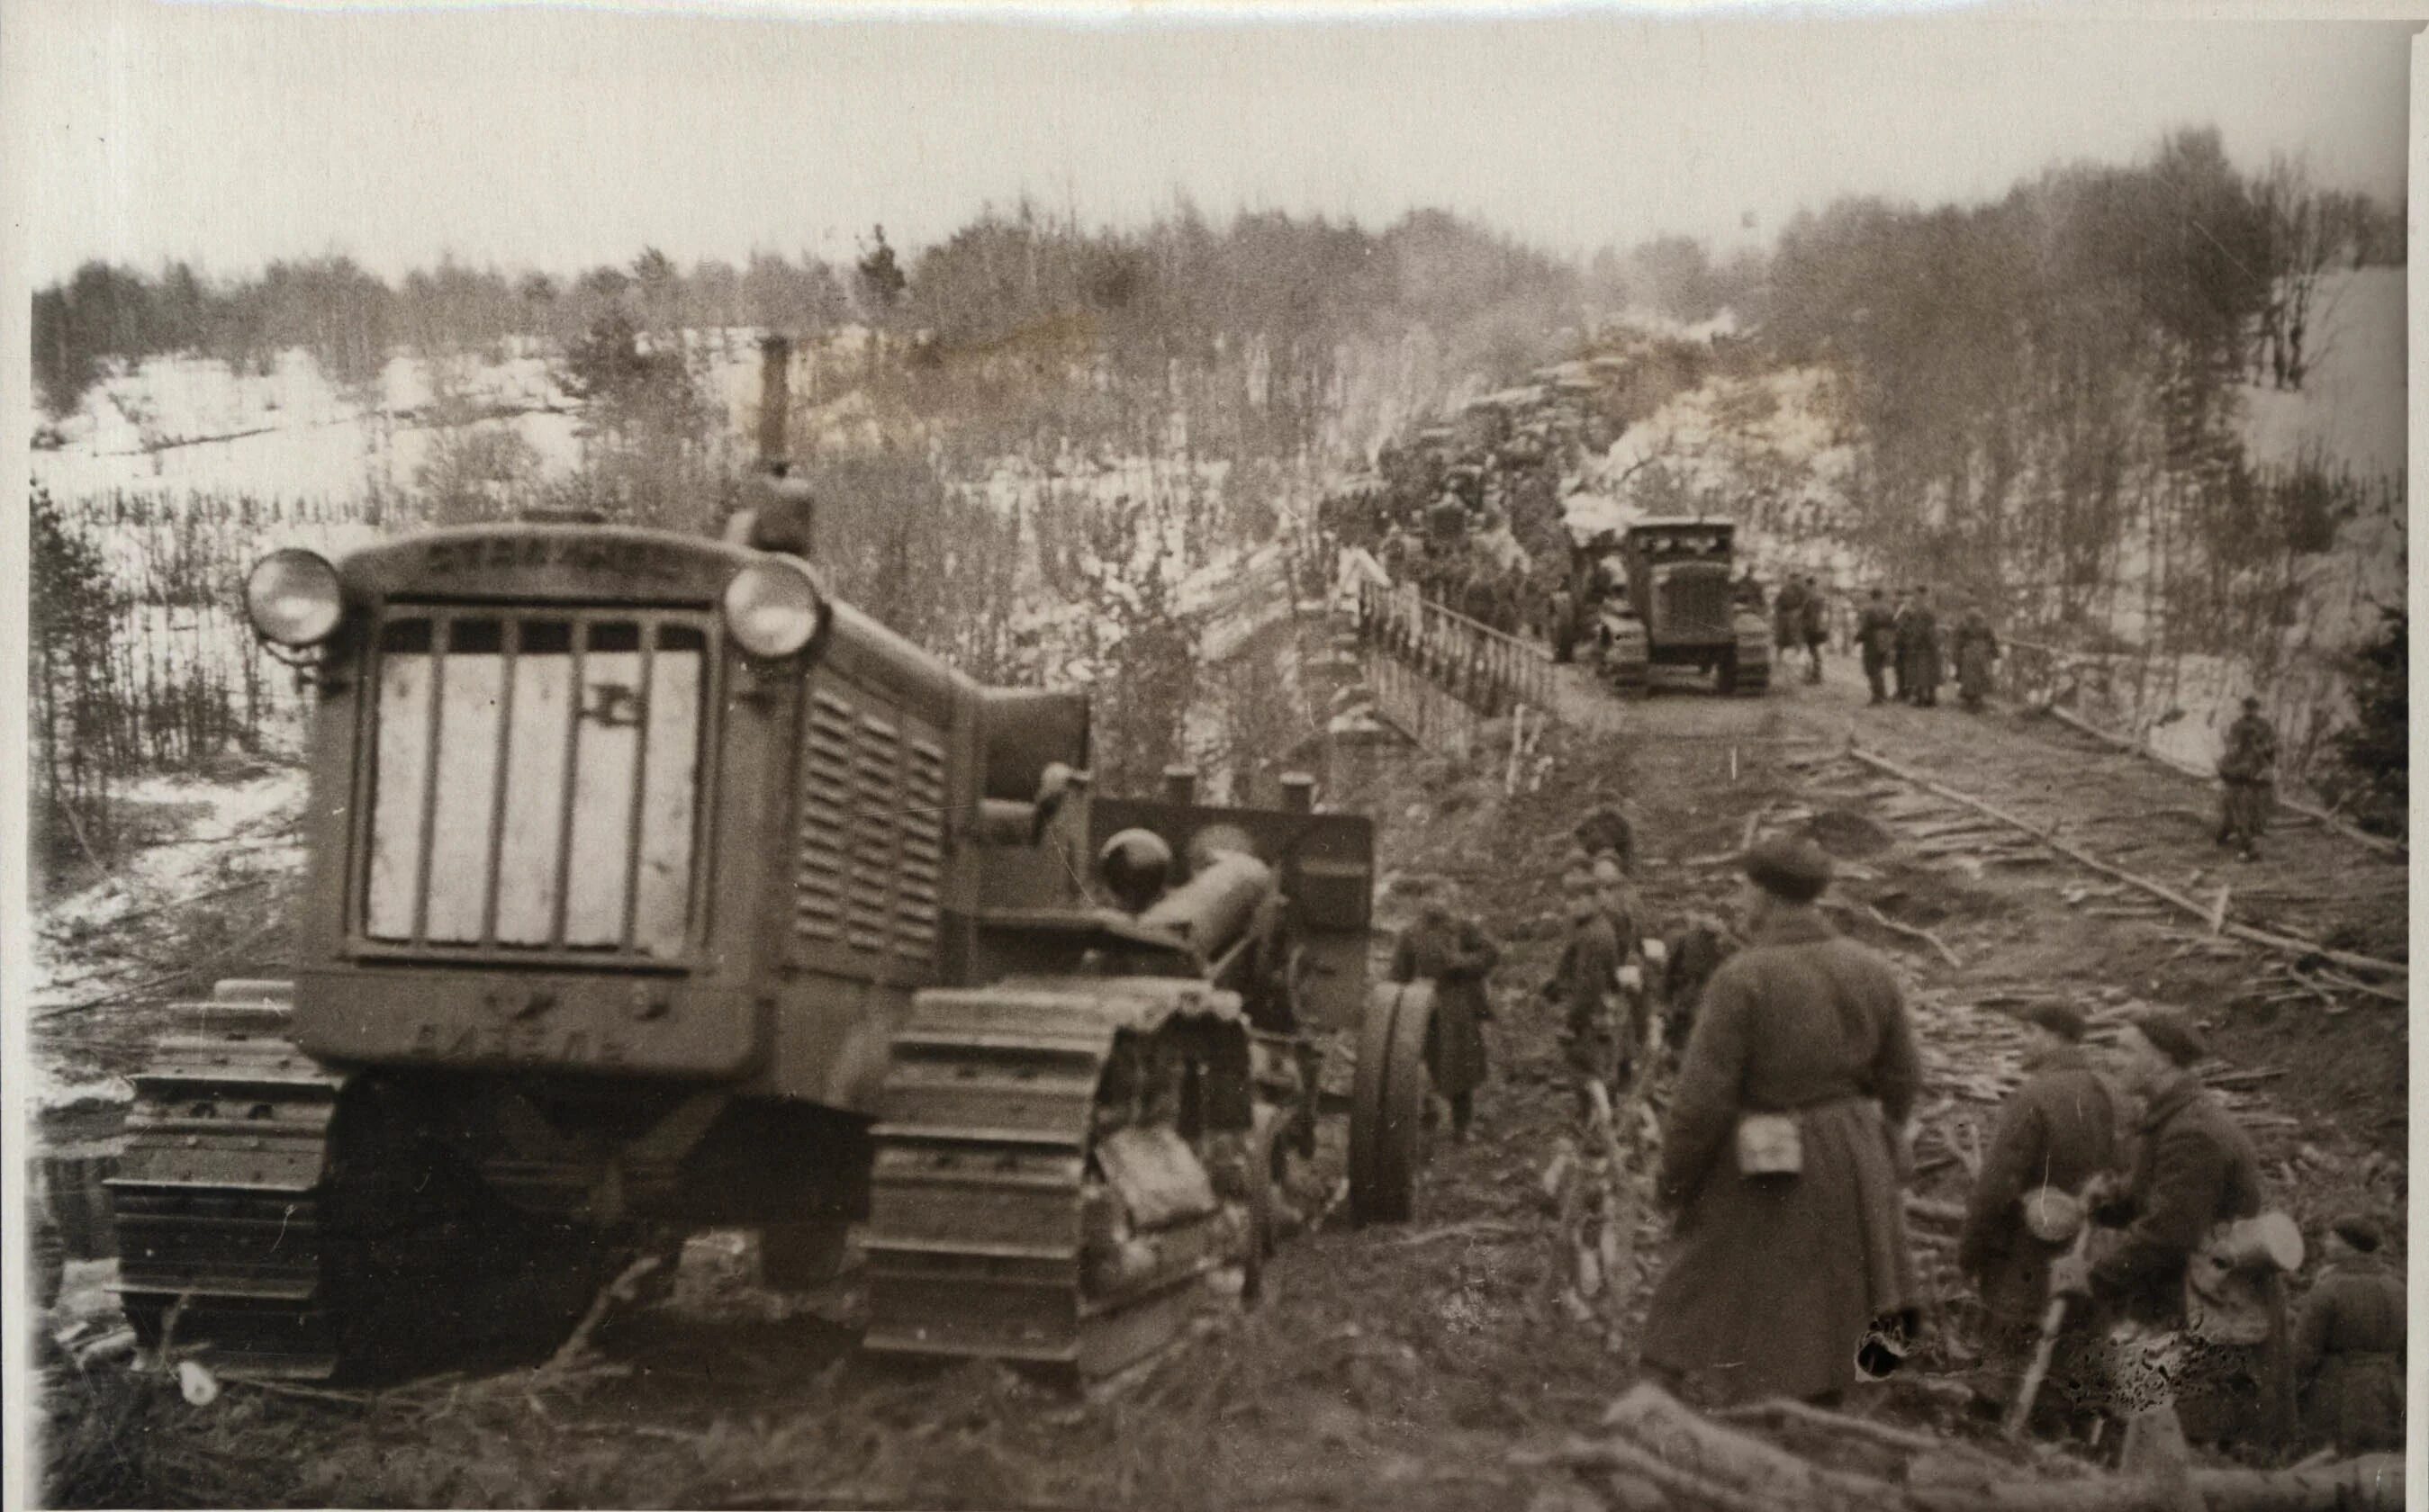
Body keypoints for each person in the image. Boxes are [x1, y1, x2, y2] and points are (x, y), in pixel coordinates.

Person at [1639, 835, 1923, 1408]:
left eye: (1745, 889)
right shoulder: (1871, 969)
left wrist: (1674, 1181)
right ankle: (1828, 1406)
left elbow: (1701, 1102)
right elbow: (1903, 1077)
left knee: (1717, 1278)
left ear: (1765, 896)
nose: (1741, 902)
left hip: (1769, 1153)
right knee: (1843, 1292)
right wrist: (1880, 1139)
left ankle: (1681, 1410)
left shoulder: (1745, 977)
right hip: (1854, 1148)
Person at [2055, 1008, 2274, 1446]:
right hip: (2187, 1300)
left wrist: (2094, 1276)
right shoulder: (2169, 1122)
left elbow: (2170, 1234)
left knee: (2178, 1447)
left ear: (2161, 1060)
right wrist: (2108, 1204)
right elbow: (2151, 1201)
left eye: (2124, 1049)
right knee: (2147, 1432)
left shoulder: (2192, 1132)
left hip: (2208, 1305)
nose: (2112, 1059)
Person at [1955, 1002, 2121, 1428]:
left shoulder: (2035, 1096)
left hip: (2027, 1253)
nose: (2022, 1041)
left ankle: (1983, 1438)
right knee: (2066, 1356)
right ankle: (2054, 1436)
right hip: (2093, 1251)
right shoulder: (2116, 1094)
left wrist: (1971, 1251)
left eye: (2029, 1032)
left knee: (2003, 1358)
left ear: (2056, 1037)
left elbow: (1996, 1187)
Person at [1389, 878, 1500, 1143]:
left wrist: (1464, 963)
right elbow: (1398, 974)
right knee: (1424, 1066)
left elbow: (1490, 953)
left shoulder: (1462, 928)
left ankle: (1462, 1126)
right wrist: (1401, 998)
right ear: (1420, 900)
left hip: (1458, 1006)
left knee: (1462, 1069)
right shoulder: (1410, 934)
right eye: (1429, 895)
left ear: (1448, 898)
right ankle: (1427, 1121)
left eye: (1440, 895)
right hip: (1423, 1009)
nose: (1435, 900)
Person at [2291, 1213, 2405, 1455]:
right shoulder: (2398, 1288)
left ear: (2348, 1247)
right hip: (2389, 1395)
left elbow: (2304, 1352)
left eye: (2331, 1239)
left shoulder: (2329, 1288)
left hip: (2337, 1394)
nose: (2325, 1244)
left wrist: (2290, 1391)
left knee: (2330, 1470)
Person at [1548, 873, 1624, 1121]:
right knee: (1594, 1069)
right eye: (1569, 899)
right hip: (1596, 1010)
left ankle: (1596, 1128)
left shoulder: (1594, 934)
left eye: (1579, 898)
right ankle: (1597, 1122)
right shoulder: (1591, 927)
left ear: (1594, 899)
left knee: (1586, 1070)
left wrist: (1572, 1020)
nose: (1572, 905)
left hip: (1589, 1014)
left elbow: (1589, 986)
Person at [2217, 697, 2279, 863]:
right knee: (2235, 803)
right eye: (2247, 708)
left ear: (2257, 709)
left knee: (2251, 806)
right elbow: (2231, 748)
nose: (2250, 711)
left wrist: (2264, 751)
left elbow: (2272, 748)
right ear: (2243, 709)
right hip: (2239, 772)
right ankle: (2237, 836)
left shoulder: (2264, 726)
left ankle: (2245, 837)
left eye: (2253, 708)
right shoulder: (2237, 726)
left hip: (2255, 773)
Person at [1901, 587, 1943, 707]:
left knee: (1920, 671)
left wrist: (1912, 641)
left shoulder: (1921, 610)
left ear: (1921, 595)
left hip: (1922, 645)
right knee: (1931, 671)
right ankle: (1932, 699)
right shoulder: (1930, 608)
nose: (1915, 597)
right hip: (1932, 643)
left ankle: (1921, 699)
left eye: (1917, 595)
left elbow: (1919, 629)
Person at [1954, 608, 2000, 712]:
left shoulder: (1965, 626)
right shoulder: (1985, 627)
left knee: (1971, 677)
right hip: (1982, 653)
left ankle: (1971, 700)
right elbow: (1992, 641)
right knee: (1979, 676)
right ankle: (1976, 700)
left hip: (1970, 653)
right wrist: (1995, 655)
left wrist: (1958, 654)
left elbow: (1959, 642)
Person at [1858, 589, 1898, 706]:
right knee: (1880, 667)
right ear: (1881, 596)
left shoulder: (1868, 608)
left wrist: (1859, 637)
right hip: (1886, 639)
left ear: (1872, 596)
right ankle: (1882, 694)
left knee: (1871, 668)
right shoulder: (1889, 608)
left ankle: (1877, 696)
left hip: (1872, 639)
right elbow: (1894, 625)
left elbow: (1864, 625)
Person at [1773, 576, 1808, 673]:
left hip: (1795, 615)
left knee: (1796, 636)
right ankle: (1779, 658)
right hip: (1784, 615)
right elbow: (1777, 602)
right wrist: (1778, 612)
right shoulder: (1785, 589)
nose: (1793, 581)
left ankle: (1799, 656)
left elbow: (1805, 603)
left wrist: (1799, 611)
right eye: (1792, 579)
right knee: (1781, 637)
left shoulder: (1801, 590)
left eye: (1795, 579)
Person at [1800, 576, 1829, 684]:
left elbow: (1806, 612)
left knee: (1811, 651)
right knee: (1815, 651)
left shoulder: (1809, 597)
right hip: (1820, 626)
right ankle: (1816, 674)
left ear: (1808, 584)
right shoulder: (1821, 596)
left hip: (1811, 627)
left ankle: (1813, 675)